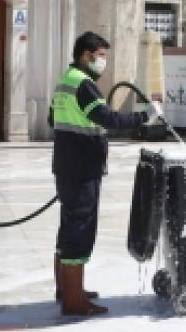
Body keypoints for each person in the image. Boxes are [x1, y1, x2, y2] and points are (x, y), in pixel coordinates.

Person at [49, 31, 152, 316]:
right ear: (86, 56)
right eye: (101, 56)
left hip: (68, 165)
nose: (103, 62)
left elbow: (51, 118)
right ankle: (73, 301)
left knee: (69, 227)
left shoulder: (66, 80)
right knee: (80, 229)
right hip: (82, 168)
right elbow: (108, 118)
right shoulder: (83, 84)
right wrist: (145, 116)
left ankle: (67, 288)